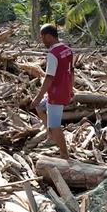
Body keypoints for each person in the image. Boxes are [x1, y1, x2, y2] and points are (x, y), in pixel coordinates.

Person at [31, 24, 75, 159]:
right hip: (64, 90)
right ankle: (50, 137)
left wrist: (38, 96)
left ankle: (64, 154)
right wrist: (71, 88)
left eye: (43, 37)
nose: (42, 41)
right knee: (40, 107)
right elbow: (72, 71)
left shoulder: (52, 54)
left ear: (49, 36)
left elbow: (49, 78)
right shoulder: (67, 50)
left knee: (55, 125)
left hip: (56, 93)